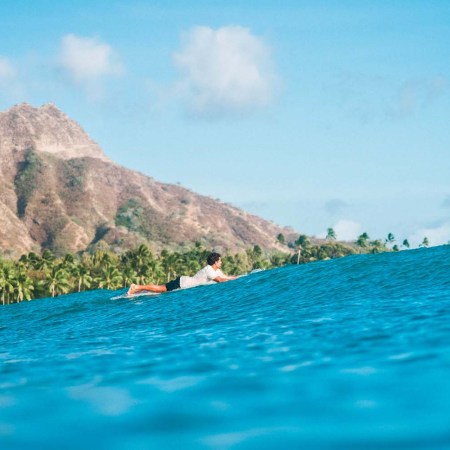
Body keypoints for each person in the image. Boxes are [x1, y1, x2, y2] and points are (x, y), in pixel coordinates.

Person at [127, 252, 237, 295]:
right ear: (215, 262)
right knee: (161, 289)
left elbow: (224, 277)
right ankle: (136, 287)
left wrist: (238, 278)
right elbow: (220, 280)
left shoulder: (216, 270)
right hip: (182, 283)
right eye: (220, 261)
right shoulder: (209, 269)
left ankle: (137, 290)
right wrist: (230, 280)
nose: (221, 262)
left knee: (160, 289)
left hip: (184, 282)